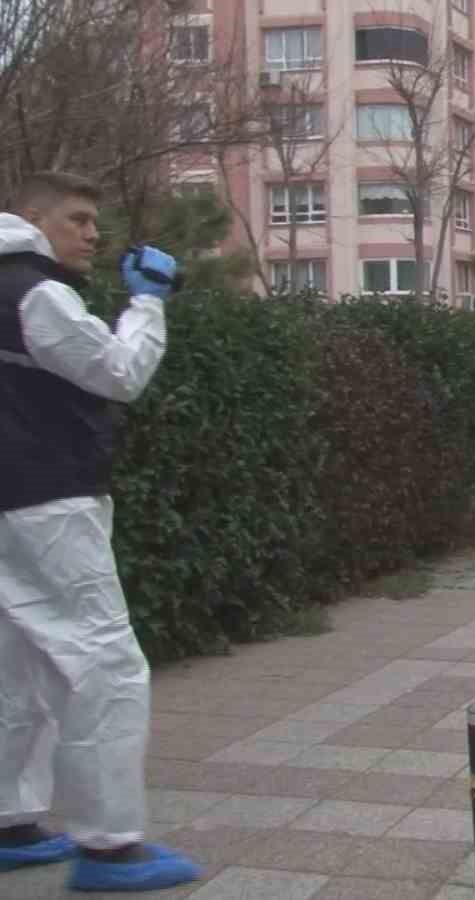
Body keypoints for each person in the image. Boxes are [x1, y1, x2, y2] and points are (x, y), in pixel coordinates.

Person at [0, 172, 202, 891]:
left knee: (16, 663)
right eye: (79, 220)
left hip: (8, 500)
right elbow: (118, 371)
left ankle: (9, 822)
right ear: (32, 215)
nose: (92, 235)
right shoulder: (35, 289)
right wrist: (147, 299)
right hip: (49, 501)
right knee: (104, 662)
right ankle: (109, 847)